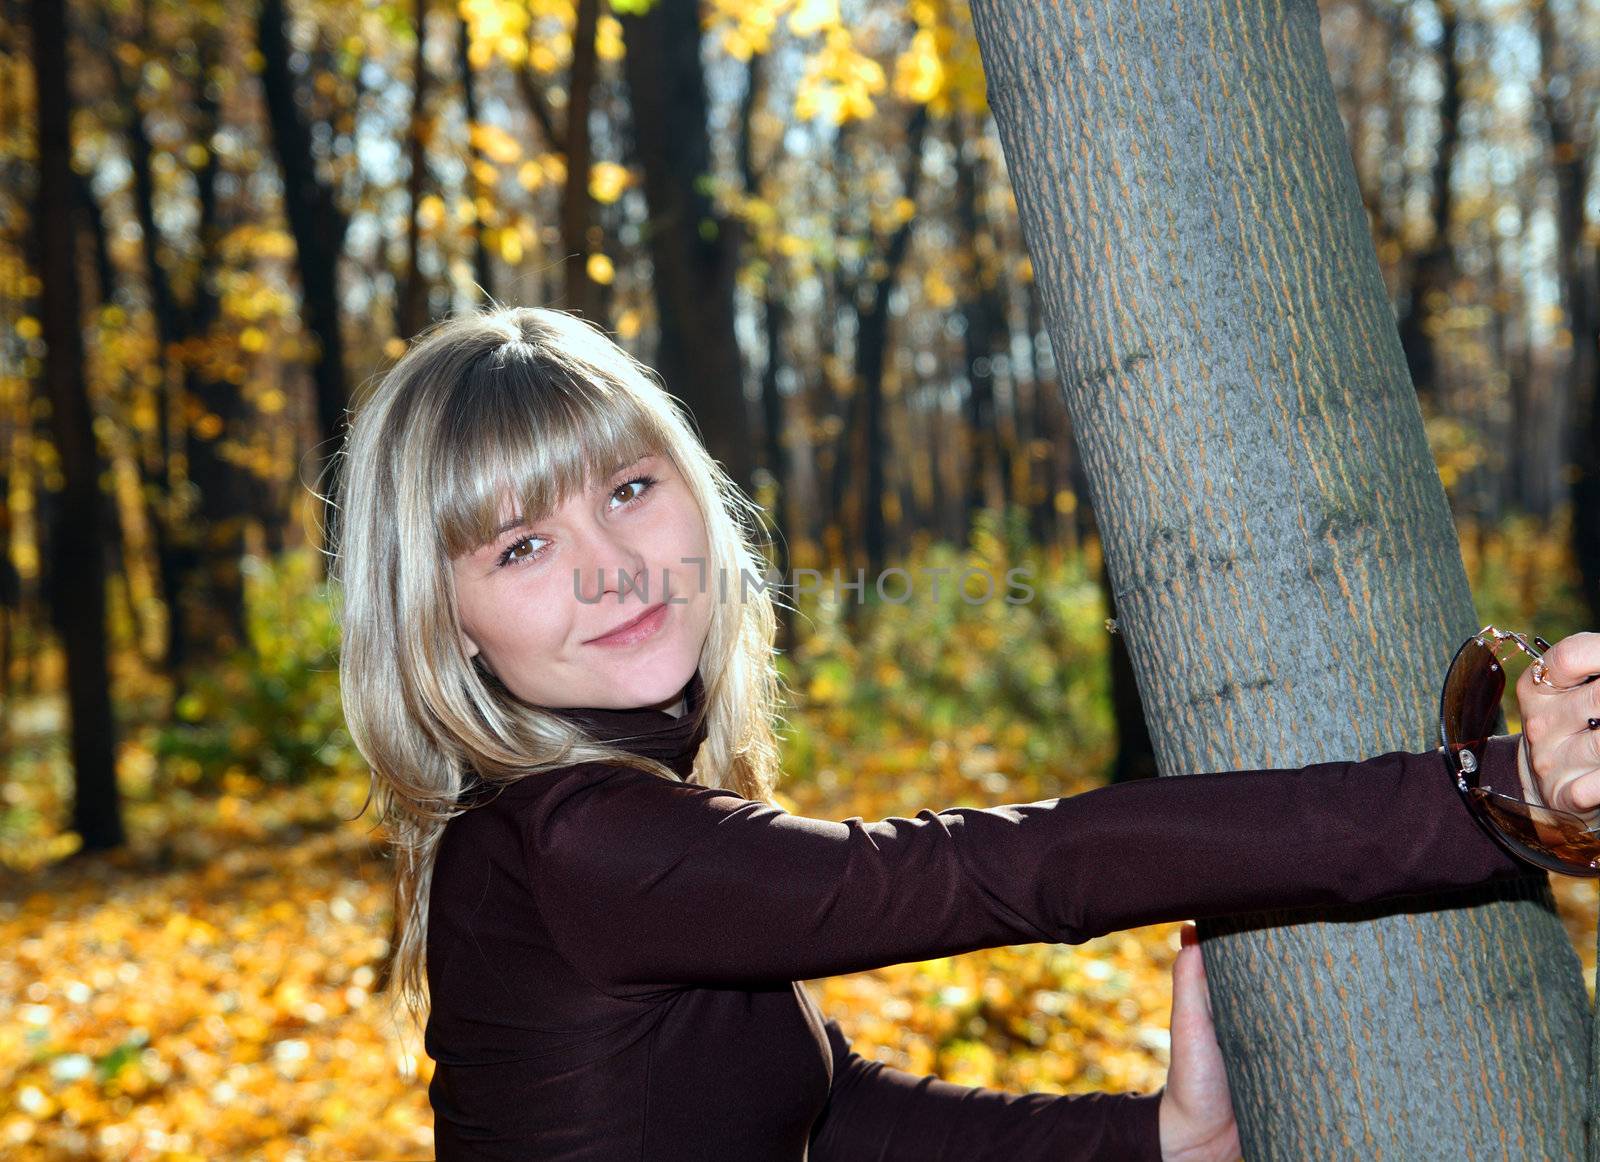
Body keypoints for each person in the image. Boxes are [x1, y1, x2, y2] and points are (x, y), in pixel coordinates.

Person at [329, 305, 1600, 1161]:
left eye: (628, 488)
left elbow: (828, 1123)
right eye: (523, 544)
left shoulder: (589, 829)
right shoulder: (573, 846)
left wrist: (1153, 1138)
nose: (612, 569)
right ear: (441, 616)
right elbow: (993, 868)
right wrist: (1495, 789)